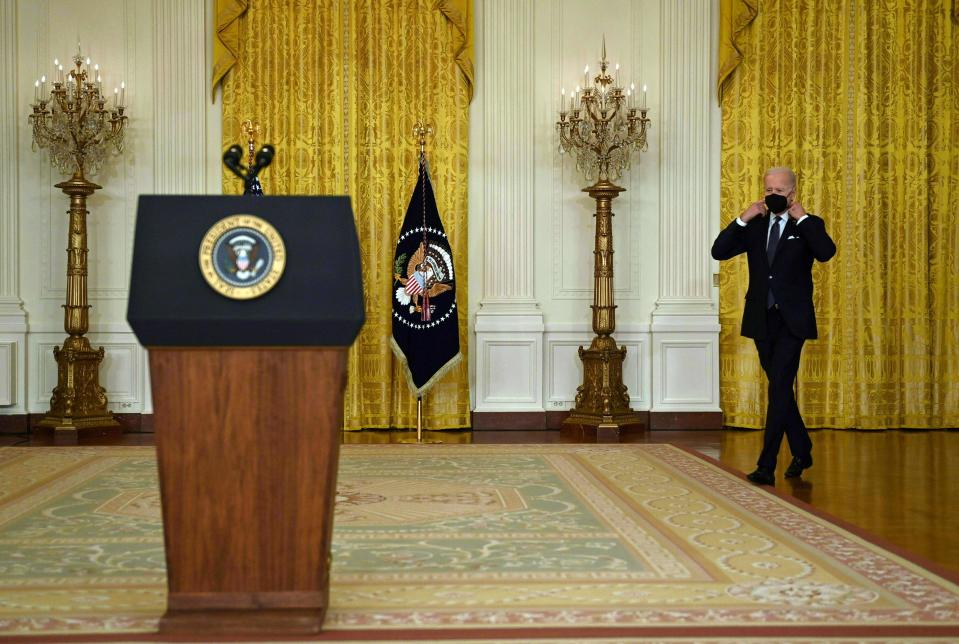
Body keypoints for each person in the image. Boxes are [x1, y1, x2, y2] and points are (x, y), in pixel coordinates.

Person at [711, 167, 836, 485]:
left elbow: (825, 252)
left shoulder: (808, 225)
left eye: (779, 191)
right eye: (768, 190)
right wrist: (742, 218)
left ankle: (766, 465)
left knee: (778, 387)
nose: (772, 196)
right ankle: (802, 448)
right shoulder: (755, 226)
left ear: (792, 193)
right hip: (761, 318)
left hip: (792, 320)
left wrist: (804, 219)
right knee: (780, 387)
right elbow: (719, 251)